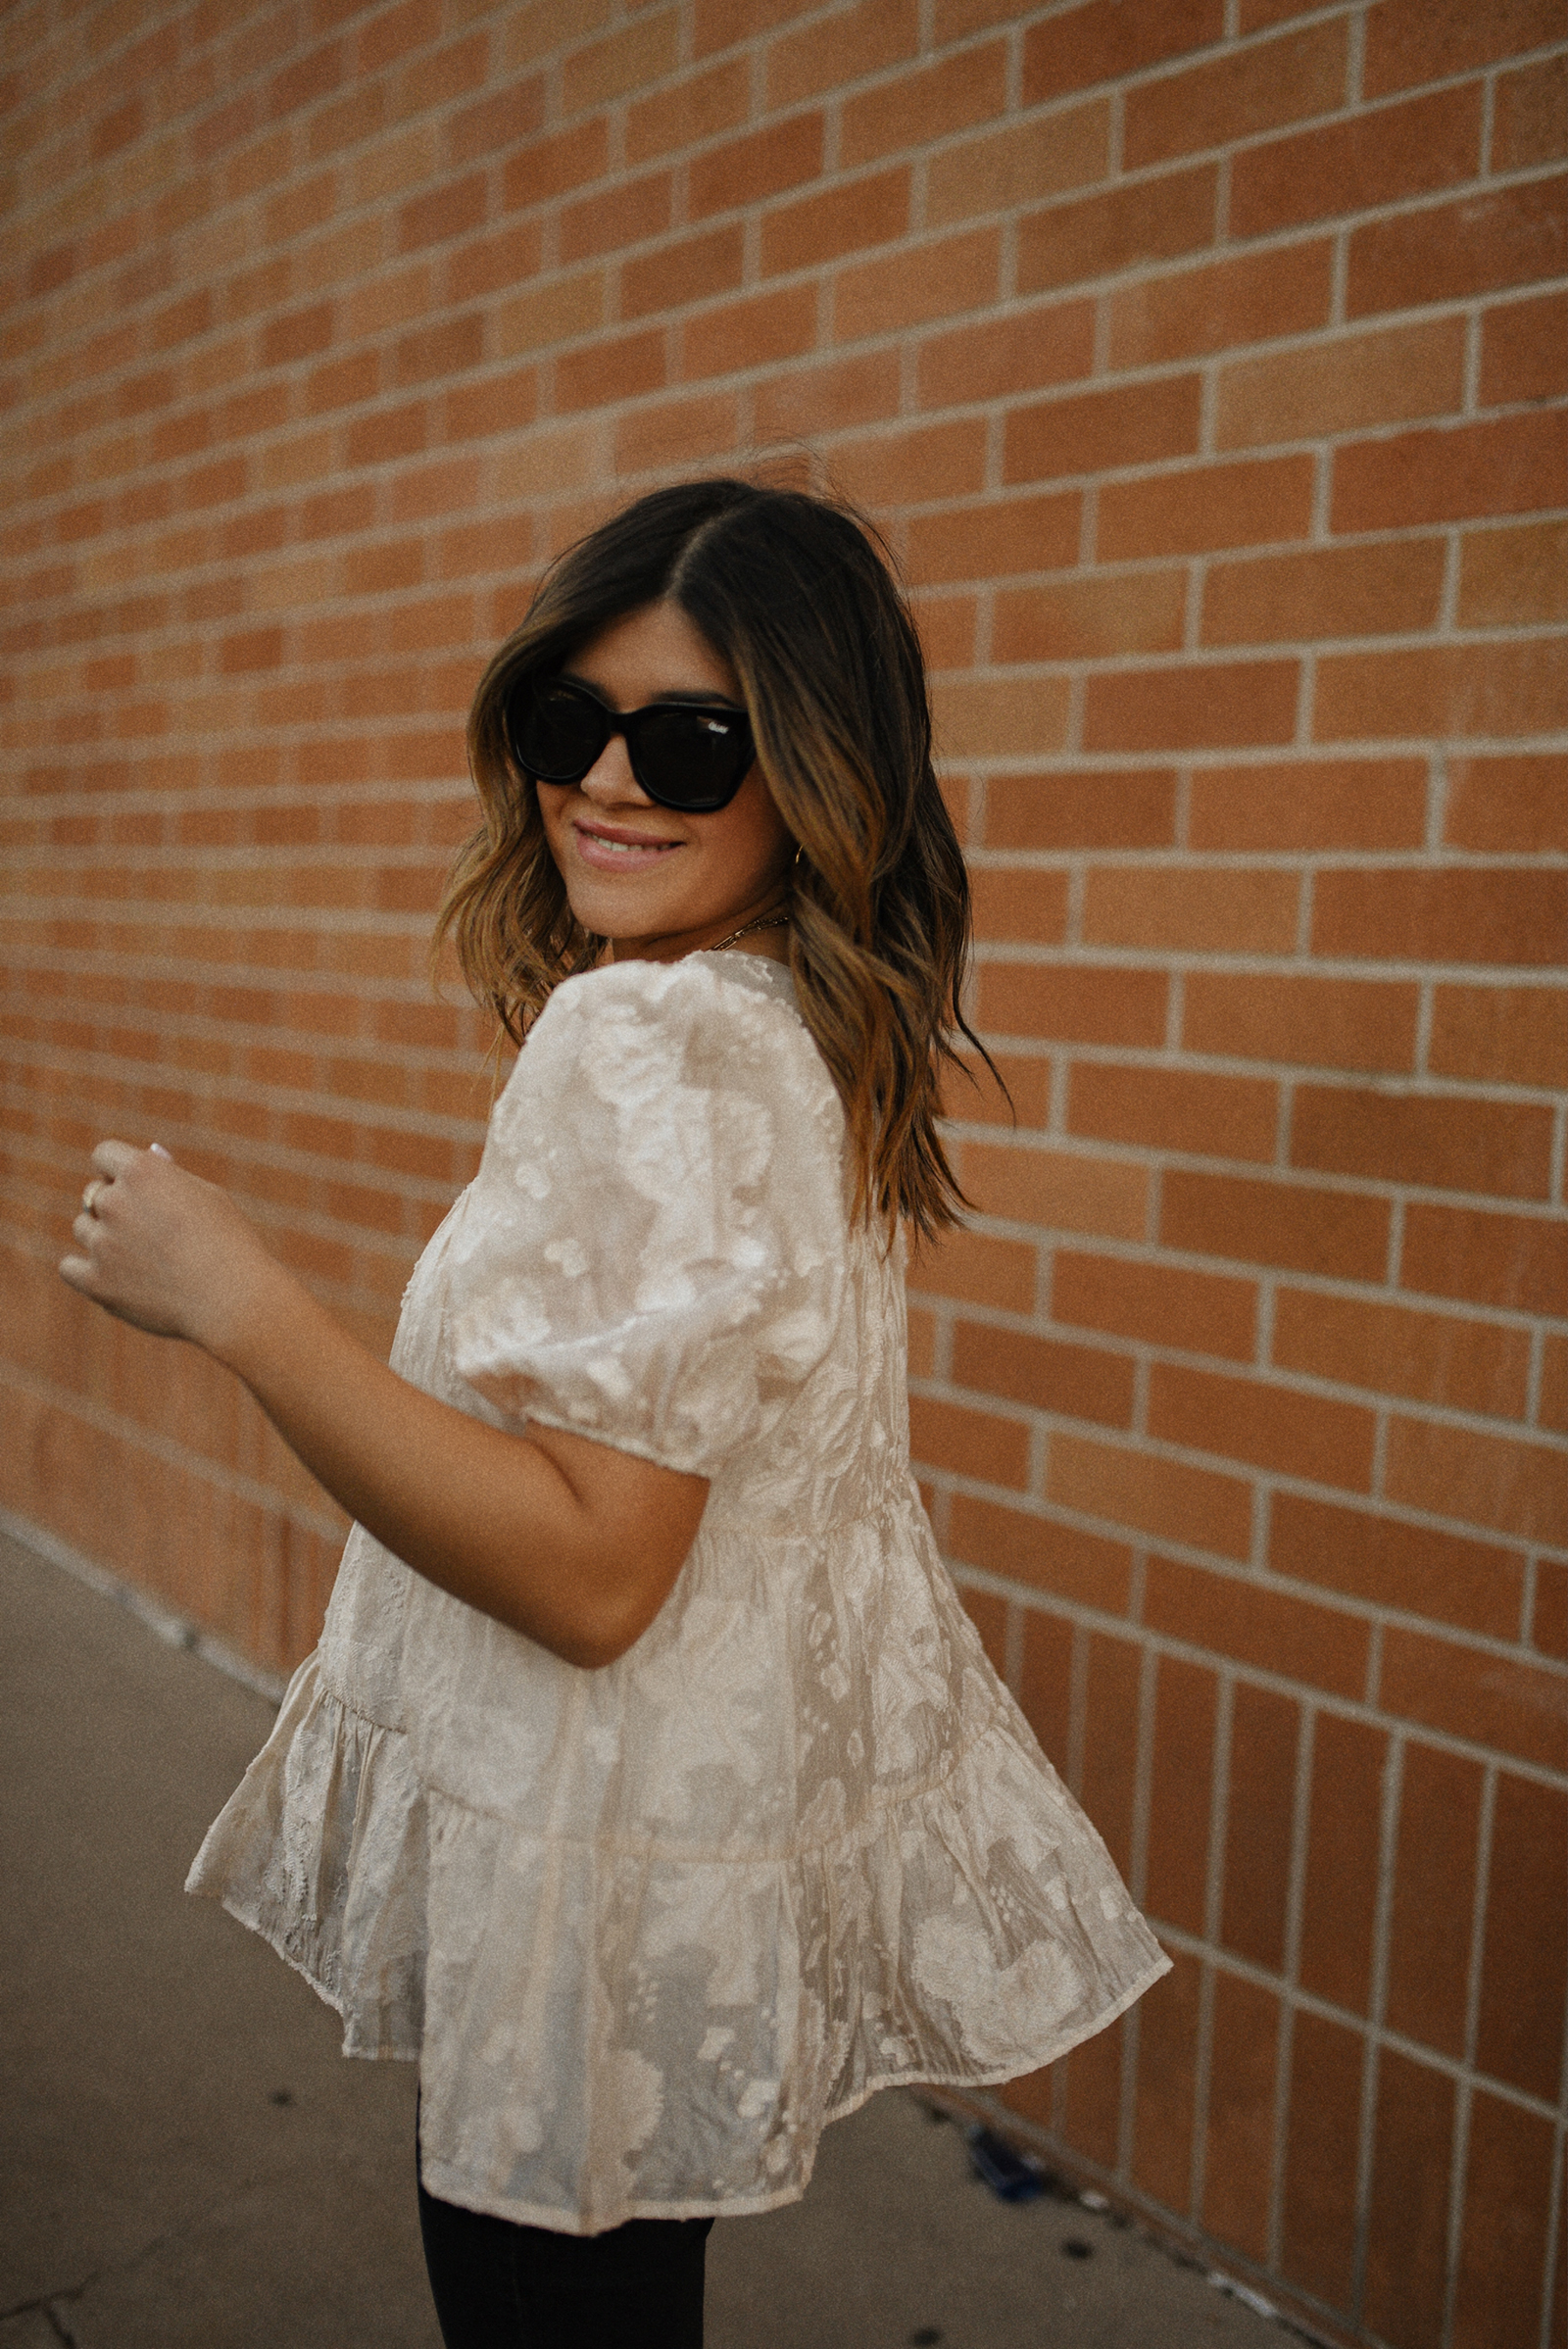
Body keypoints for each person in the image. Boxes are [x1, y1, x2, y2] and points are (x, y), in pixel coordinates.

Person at [60, 478, 1169, 2348]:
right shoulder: (792, 1025)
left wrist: (237, 1302)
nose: (612, 780)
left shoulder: (651, 1042)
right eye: (568, 722)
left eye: (692, 739)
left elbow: (594, 1572)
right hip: (656, 1860)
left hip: (585, 1884)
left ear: (819, 767)